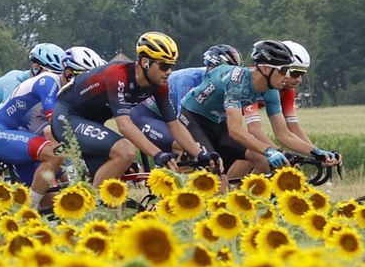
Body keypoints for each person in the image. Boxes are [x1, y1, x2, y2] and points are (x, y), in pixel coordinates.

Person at [52, 32, 213, 188]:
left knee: (116, 197)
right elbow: (124, 125)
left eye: (171, 65)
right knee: (125, 151)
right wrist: (157, 154)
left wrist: (201, 154)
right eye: (164, 65)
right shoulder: (118, 74)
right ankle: (94, 207)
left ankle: (97, 209)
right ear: (145, 62)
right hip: (67, 118)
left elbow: (174, 124)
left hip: (93, 123)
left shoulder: (159, 84)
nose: (169, 71)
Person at [180, 40, 322, 172]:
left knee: (261, 160)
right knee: (214, 166)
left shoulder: (272, 91)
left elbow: (283, 134)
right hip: (193, 119)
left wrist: (317, 152)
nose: (287, 76)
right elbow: (235, 131)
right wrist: (269, 150)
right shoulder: (236, 82)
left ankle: (242, 196)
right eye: (283, 70)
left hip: (218, 124)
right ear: (266, 68)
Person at [0, 46, 103, 206]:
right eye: (86, 81)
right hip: (2, 135)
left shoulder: (70, 97)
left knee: (54, 208)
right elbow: (54, 129)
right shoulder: (48, 82)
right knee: (56, 156)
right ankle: (29, 210)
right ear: (69, 74)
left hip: (30, 144)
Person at [238, 40, 339, 171]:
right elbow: (254, 130)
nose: (299, 80)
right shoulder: (257, 82)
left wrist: (318, 154)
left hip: (227, 121)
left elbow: (291, 130)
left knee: (260, 156)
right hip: (216, 121)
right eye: (295, 73)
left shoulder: (287, 91)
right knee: (256, 155)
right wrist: (280, 153)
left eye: (302, 74)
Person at [128, 44, 242, 152]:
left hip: (168, 117)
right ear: (210, 68)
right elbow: (183, 121)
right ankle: (172, 172)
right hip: (146, 115)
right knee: (185, 146)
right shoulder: (188, 80)